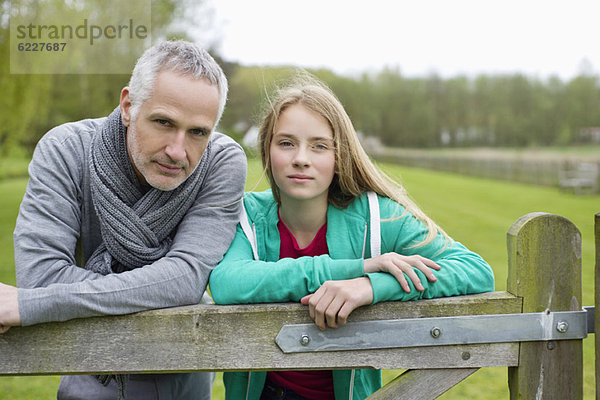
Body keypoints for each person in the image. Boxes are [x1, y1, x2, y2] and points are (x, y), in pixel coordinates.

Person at [208, 75, 495, 400]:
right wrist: (360, 267)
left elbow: (475, 270)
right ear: (267, 149)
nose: (301, 158)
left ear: (338, 155)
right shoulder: (245, 215)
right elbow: (227, 282)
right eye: (286, 143)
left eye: (319, 146)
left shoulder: (379, 216)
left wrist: (373, 285)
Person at [0, 40, 247, 400]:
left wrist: (36, 304)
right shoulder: (66, 150)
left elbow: (186, 279)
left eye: (198, 132)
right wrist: (155, 286)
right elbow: (41, 277)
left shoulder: (222, 162)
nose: (178, 151)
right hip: (90, 373)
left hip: (184, 374)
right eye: (163, 122)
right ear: (128, 105)